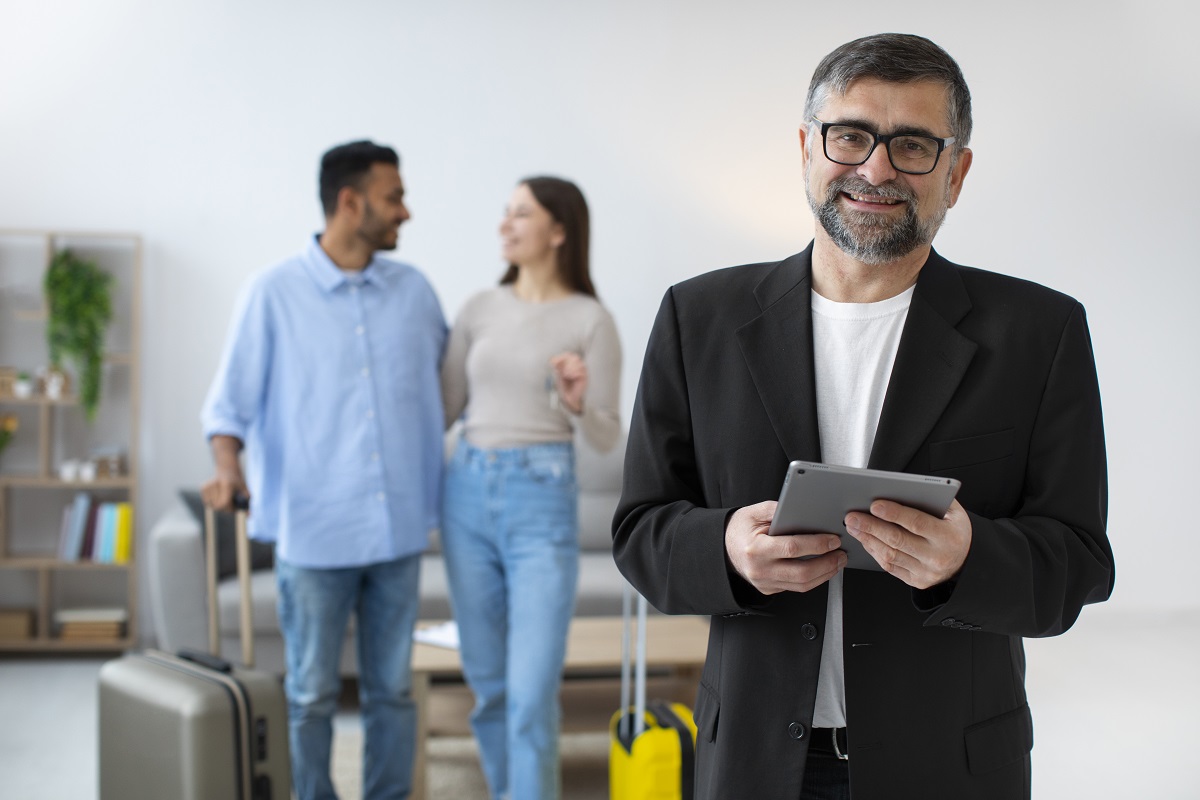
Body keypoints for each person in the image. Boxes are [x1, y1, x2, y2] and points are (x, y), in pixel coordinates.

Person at [612, 33, 1113, 800]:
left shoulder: (1038, 333)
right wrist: (728, 552)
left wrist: (966, 558)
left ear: (957, 171)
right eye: (851, 136)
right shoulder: (698, 318)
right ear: (808, 148)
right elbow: (641, 531)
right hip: (750, 759)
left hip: (950, 766)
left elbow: (1079, 564)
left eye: (912, 144)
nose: (875, 169)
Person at [200, 140, 446, 800]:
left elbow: (453, 386)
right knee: (309, 694)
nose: (406, 212)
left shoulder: (415, 292)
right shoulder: (272, 293)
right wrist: (227, 468)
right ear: (350, 201)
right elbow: (228, 409)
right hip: (313, 534)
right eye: (394, 197)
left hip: (396, 531)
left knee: (391, 691)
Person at [440, 176, 621, 800]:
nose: (505, 225)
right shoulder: (478, 310)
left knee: (530, 692)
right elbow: (442, 409)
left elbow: (604, 437)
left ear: (559, 231)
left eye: (522, 214)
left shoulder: (590, 319)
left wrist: (575, 403)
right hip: (464, 493)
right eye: (505, 213)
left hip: (541, 498)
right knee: (489, 687)